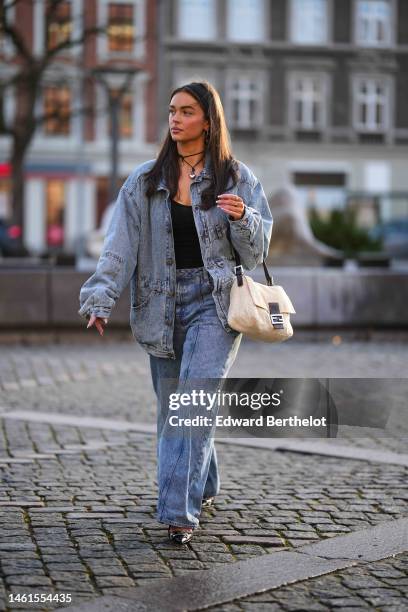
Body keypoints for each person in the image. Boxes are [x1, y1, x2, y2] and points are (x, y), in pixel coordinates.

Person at [78, 81, 273, 545]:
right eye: (171, 110)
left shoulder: (237, 178)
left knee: (192, 407)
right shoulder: (145, 181)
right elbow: (119, 248)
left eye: (186, 111)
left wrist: (243, 216)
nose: (175, 118)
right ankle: (202, 484)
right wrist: (100, 298)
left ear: (208, 120)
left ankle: (178, 514)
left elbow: (256, 251)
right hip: (159, 304)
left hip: (216, 304)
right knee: (176, 411)